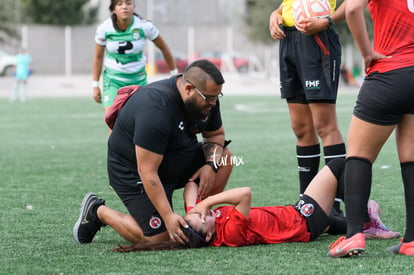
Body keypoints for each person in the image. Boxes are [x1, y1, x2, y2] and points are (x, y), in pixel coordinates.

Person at [73, 59, 233, 245]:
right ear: (189, 89)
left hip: (174, 158)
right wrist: (167, 216)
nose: (213, 103)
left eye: (217, 96)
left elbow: (216, 135)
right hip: (133, 171)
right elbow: (147, 170)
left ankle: (197, 217)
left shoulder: (206, 97)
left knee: (225, 158)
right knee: (160, 238)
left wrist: (210, 165)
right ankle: (97, 212)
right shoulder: (155, 108)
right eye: (209, 98)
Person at [111, 158, 399, 252]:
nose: (203, 213)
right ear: (209, 236)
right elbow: (245, 193)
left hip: (295, 216)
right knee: (341, 165)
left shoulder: (204, 225)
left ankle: (361, 222)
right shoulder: (230, 232)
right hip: (303, 220)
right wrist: (208, 200)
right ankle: (364, 221)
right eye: (202, 219)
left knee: (340, 218)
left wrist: (194, 200)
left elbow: (190, 188)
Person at [327, 0, 414, 257]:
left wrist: (366, 53)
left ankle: (353, 235)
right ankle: (412, 241)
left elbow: (353, 8)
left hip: (389, 71)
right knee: (410, 158)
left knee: (358, 155)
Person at [269, 1, 347, 214]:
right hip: (288, 40)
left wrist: (327, 20)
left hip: (317, 40)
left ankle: (333, 205)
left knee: (324, 125)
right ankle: (308, 203)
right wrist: (275, 14)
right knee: (300, 128)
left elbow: (355, 4)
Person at [92, 0, 177, 114]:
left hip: (138, 79)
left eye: (128, 3)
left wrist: (174, 75)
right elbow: (98, 57)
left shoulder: (144, 26)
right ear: (113, 9)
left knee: (140, 119)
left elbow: (164, 48)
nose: (124, 7)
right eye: (120, 4)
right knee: (111, 119)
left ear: (134, 6)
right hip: (113, 80)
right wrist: (95, 85)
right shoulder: (104, 28)